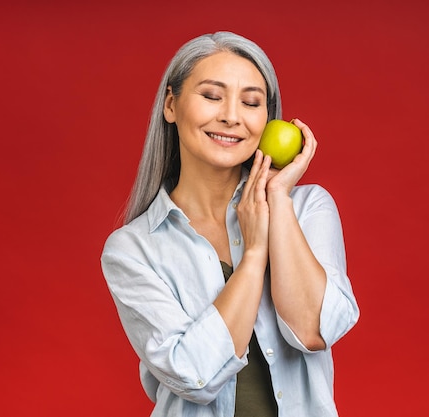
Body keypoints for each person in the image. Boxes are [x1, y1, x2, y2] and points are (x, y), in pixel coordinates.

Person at [100, 31, 359, 417]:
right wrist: (254, 255)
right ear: (171, 104)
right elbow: (194, 374)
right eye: (211, 95)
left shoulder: (306, 209)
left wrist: (278, 198)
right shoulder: (134, 249)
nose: (232, 116)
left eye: (251, 102)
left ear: (267, 119)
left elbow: (313, 331)